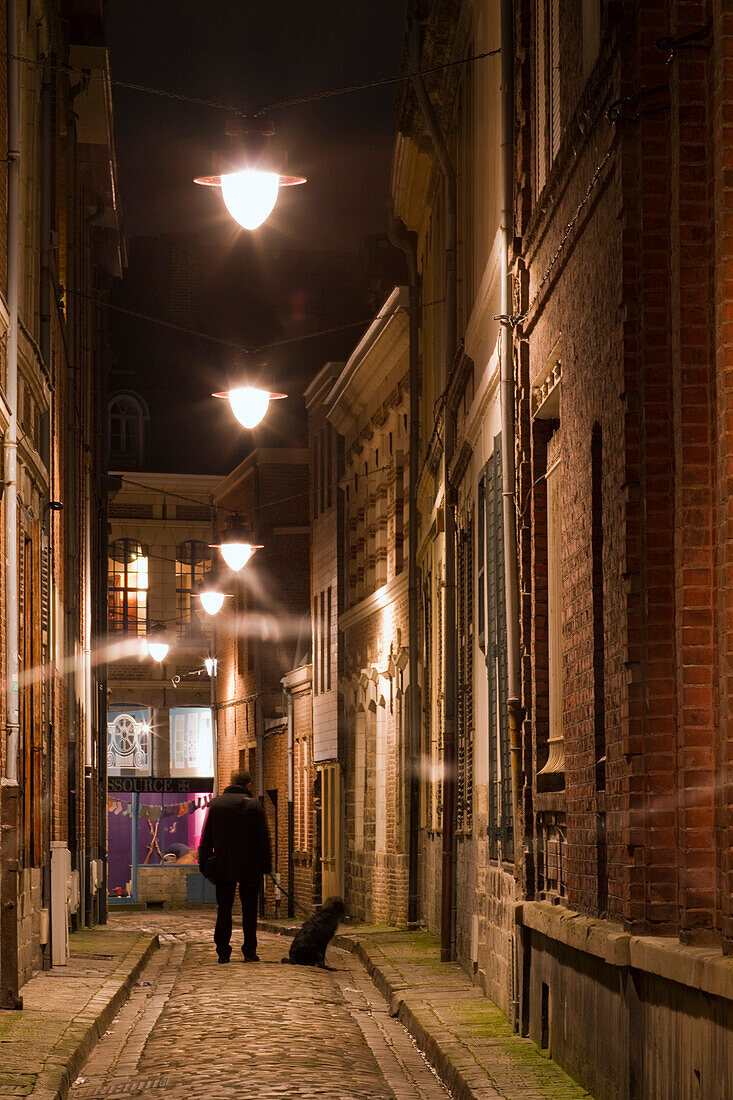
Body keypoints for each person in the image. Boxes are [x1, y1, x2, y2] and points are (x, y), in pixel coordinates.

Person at [198, 770, 272, 963]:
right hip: (250, 865)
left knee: (224, 908)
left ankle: (223, 950)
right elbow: (263, 838)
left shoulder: (216, 804)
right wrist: (266, 866)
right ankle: (249, 950)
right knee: (249, 910)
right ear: (248, 785)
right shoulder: (255, 805)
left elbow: (207, 838)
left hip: (223, 865)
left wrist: (204, 864)